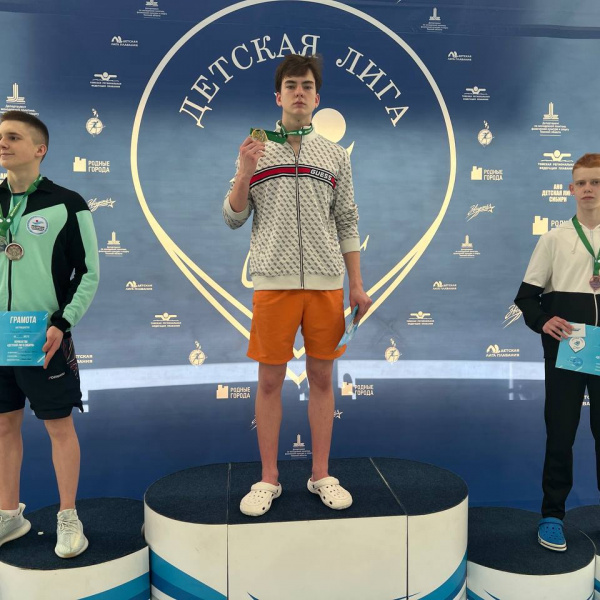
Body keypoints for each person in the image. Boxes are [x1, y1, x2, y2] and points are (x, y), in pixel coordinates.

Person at [223, 54, 372, 516]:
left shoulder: (334, 155)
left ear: (317, 97)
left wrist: (356, 285)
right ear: (278, 96)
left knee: (323, 379)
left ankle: (320, 474)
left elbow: (347, 220)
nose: (299, 92)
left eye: (307, 85)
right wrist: (245, 170)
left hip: (327, 285)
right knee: (269, 381)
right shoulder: (254, 148)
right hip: (273, 284)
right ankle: (268, 478)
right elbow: (232, 217)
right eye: (291, 85)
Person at [0, 111, 99, 557]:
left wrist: (62, 322)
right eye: (0, 137)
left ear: (39, 149)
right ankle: (9, 515)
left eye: (13, 137)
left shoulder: (67, 203)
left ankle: (68, 516)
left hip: (42, 337)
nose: (3, 144)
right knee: (4, 425)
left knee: (58, 427)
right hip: (0, 338)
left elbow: (89, 272)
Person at [515, 153, 600, 552]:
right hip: (568, 349)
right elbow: (527, 298)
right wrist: (543, 321)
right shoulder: (553, 239)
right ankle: (552, 516)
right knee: (561, 432)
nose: (588, 189)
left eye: (596, 182)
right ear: (570, 189)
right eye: (581, 182)